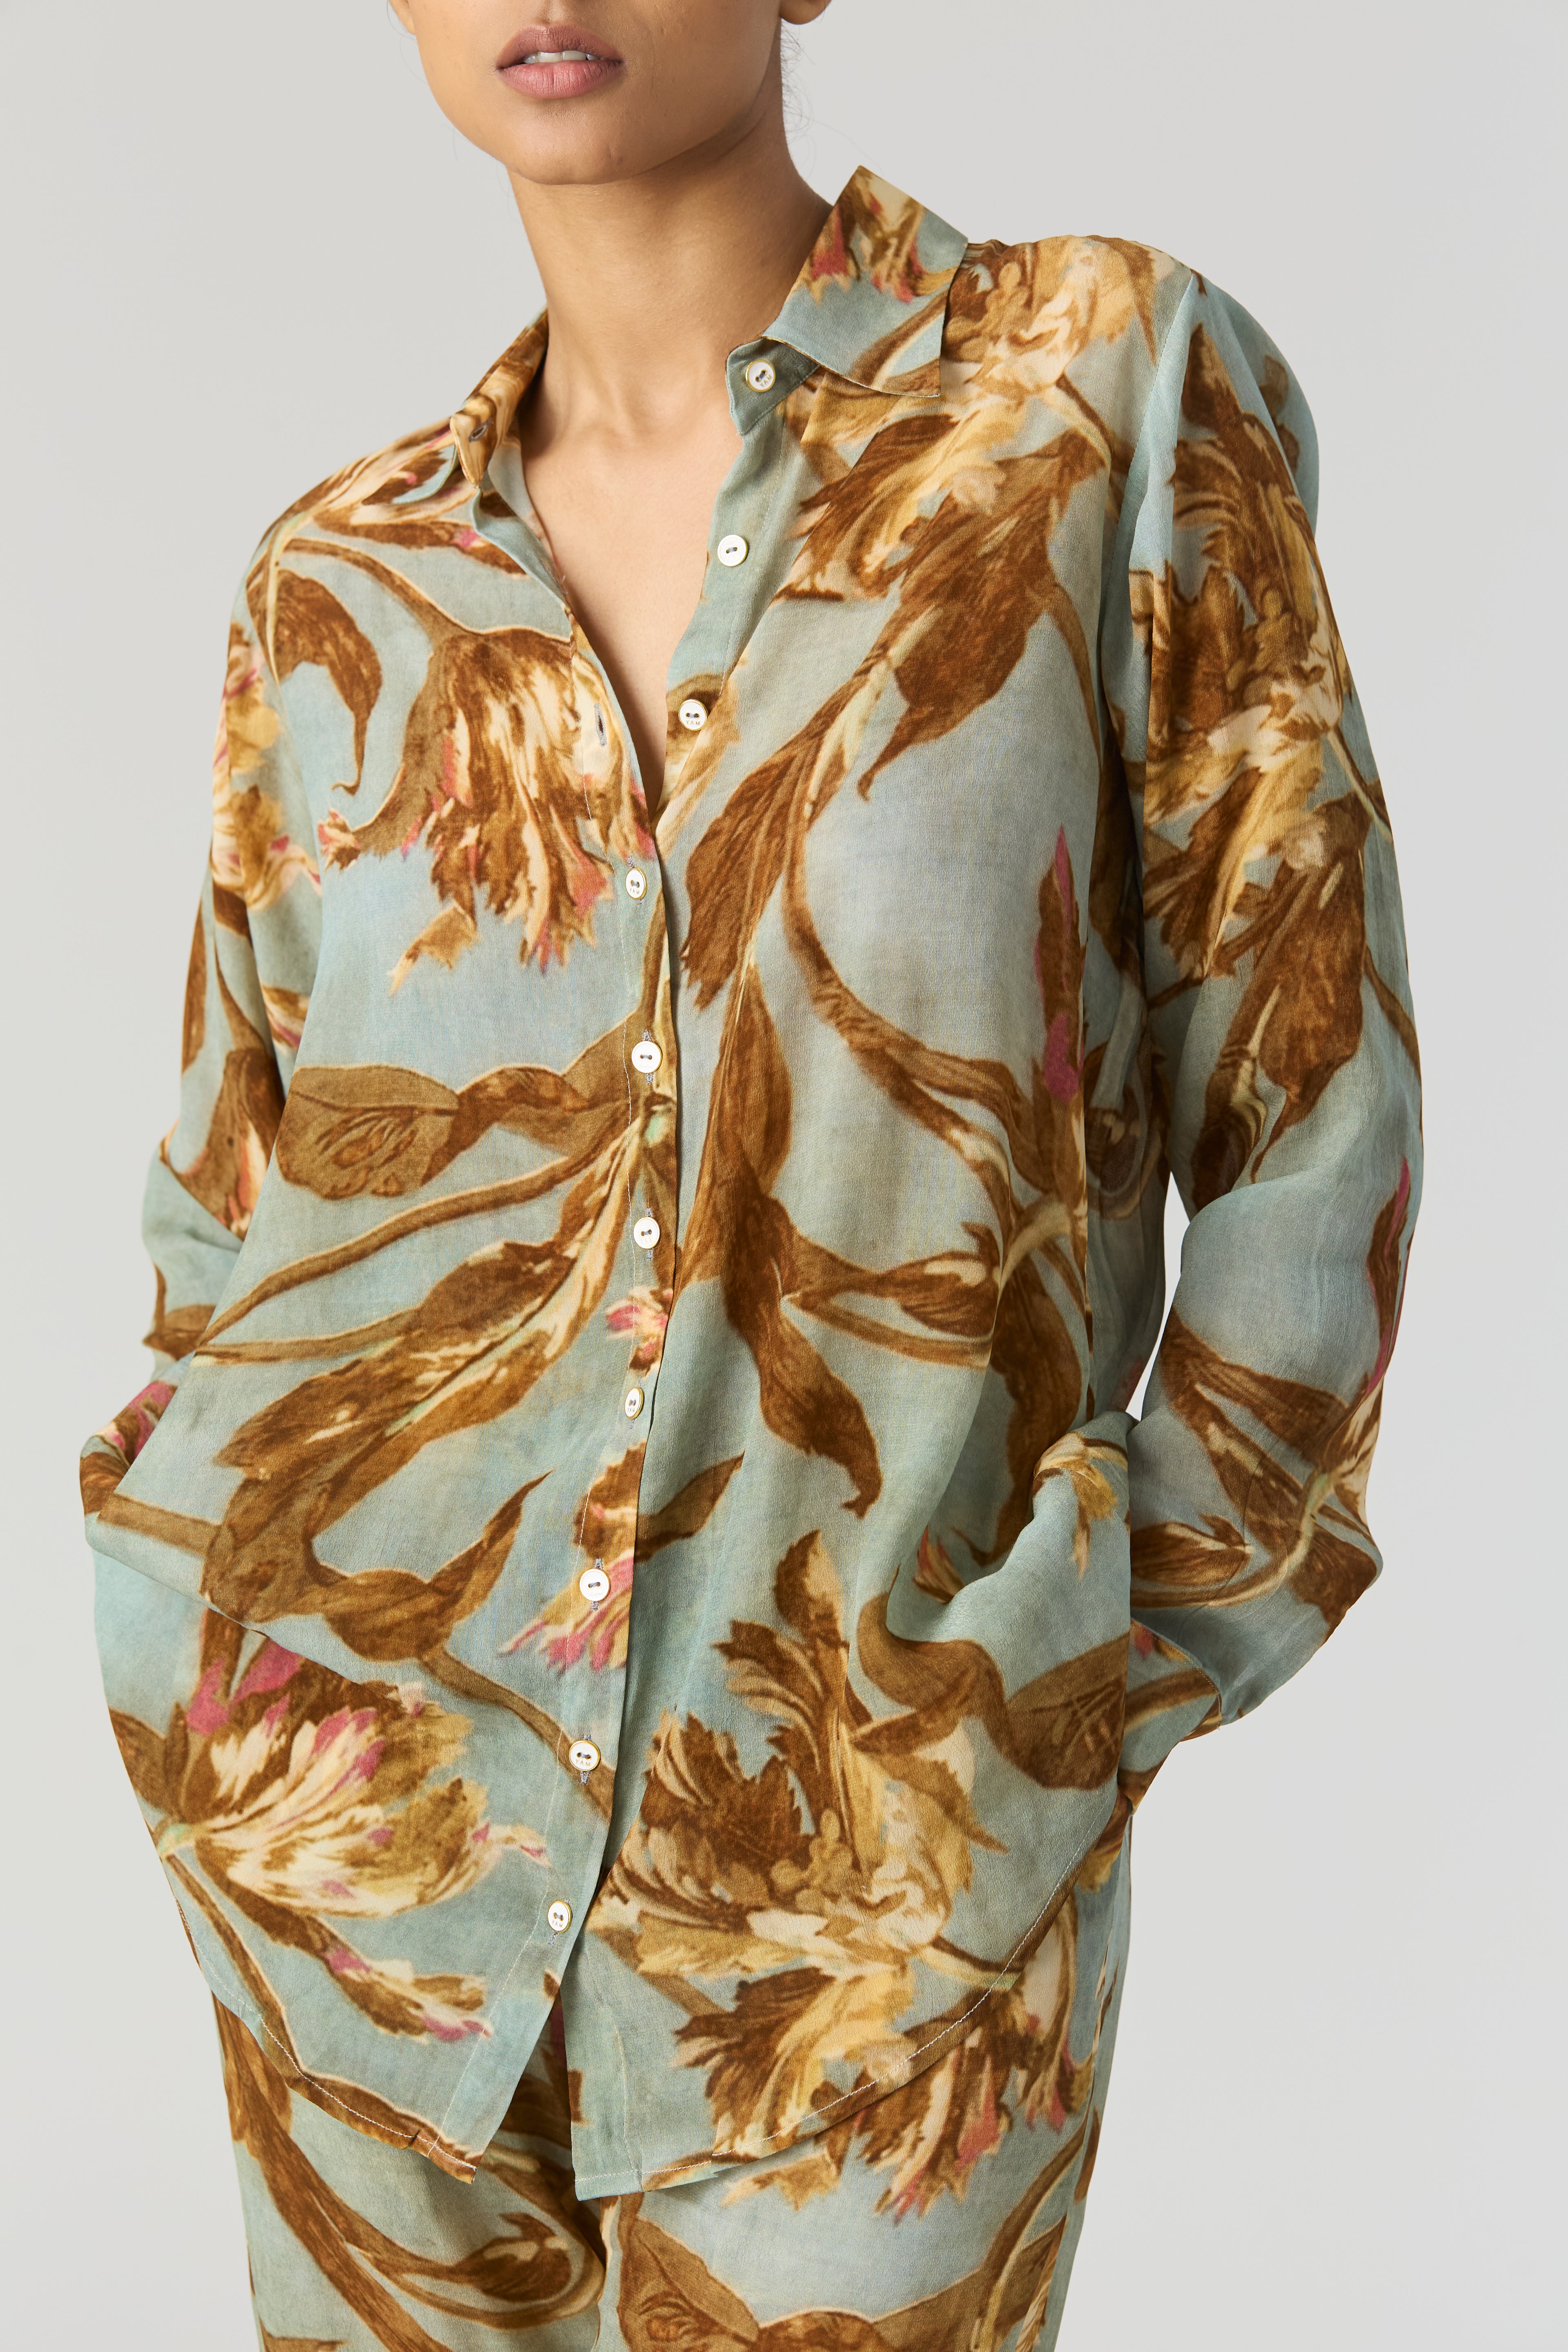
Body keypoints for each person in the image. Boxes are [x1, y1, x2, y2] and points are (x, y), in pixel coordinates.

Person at [79, 4, 1423, 2345]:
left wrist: (1065, 1681)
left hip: (883, 1910)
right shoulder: (338, 590)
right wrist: (200, 1648)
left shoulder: (1090, 398)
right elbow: (232, 1205)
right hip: (358, 1898)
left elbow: (1312, 1096)